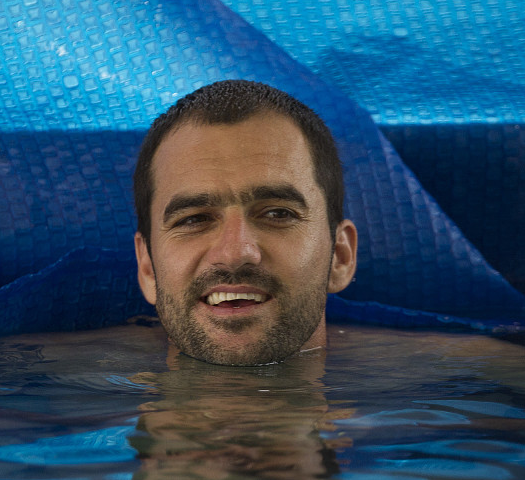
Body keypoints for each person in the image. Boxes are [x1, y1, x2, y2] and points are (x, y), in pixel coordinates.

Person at [132, 80, 358, 366]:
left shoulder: (428, 376)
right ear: (147, 267)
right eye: (194, 219)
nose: (236, 253)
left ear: (341, 256)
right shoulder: (66, 378)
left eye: (277, 214)